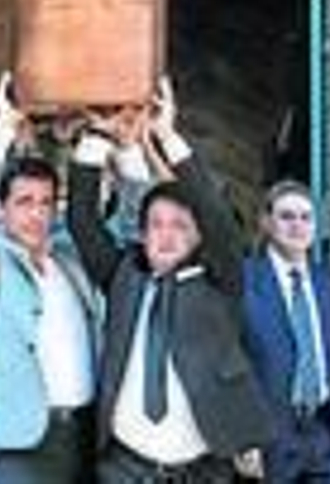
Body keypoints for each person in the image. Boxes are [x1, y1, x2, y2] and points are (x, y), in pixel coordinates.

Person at [66, 79, 271, 483]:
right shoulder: (123, 277)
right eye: (156, 225)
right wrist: (96, 139)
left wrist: (164, 134)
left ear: (198, 236)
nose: (166, 234)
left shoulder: (219, 282)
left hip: (199, 472)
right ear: (141, 234)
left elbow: (214, 214)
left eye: (180, 225)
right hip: (124, 468)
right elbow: (83, 222)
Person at [0, 75, 99, 483]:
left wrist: (101, 138)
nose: (37, 214)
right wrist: (1, 129)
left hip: (86, 434)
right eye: (24, 202)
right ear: (0, 210)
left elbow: (124, 223)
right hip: (19, 444)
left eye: (46, 203)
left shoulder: (69, 255)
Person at [239, 181, 330, 483]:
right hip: (269, 438)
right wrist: (241, 435)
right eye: (286, 216)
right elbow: (230, 362)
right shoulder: (244, 280)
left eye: (306, 217)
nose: (297, 226)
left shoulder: (327, 282)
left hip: (325, 434)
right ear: (266, 222)